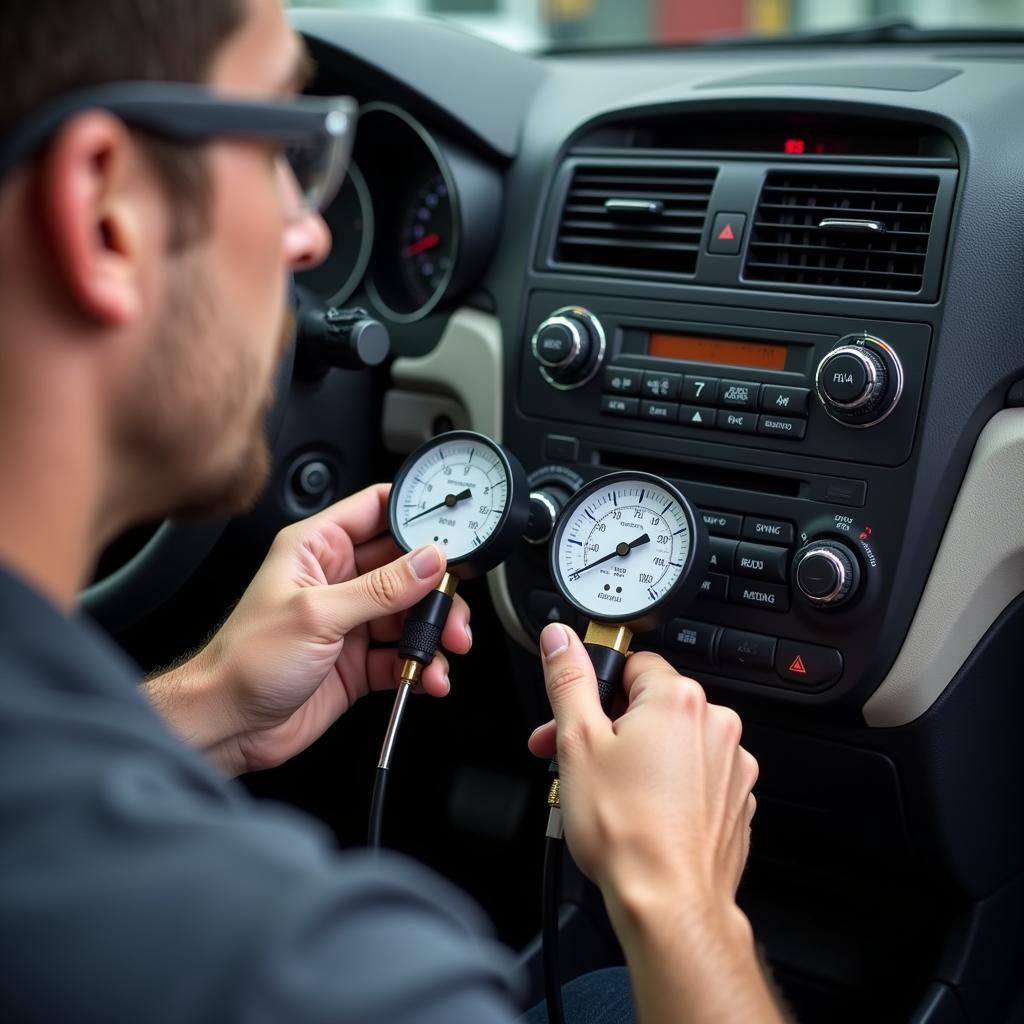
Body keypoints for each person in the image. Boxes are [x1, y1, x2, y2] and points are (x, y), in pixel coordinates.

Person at [0, 1, 787, 1021]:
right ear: (107, 213)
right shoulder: (322, 974)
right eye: (289, 148)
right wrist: (681, 899)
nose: (313, 231)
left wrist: (203, 706)